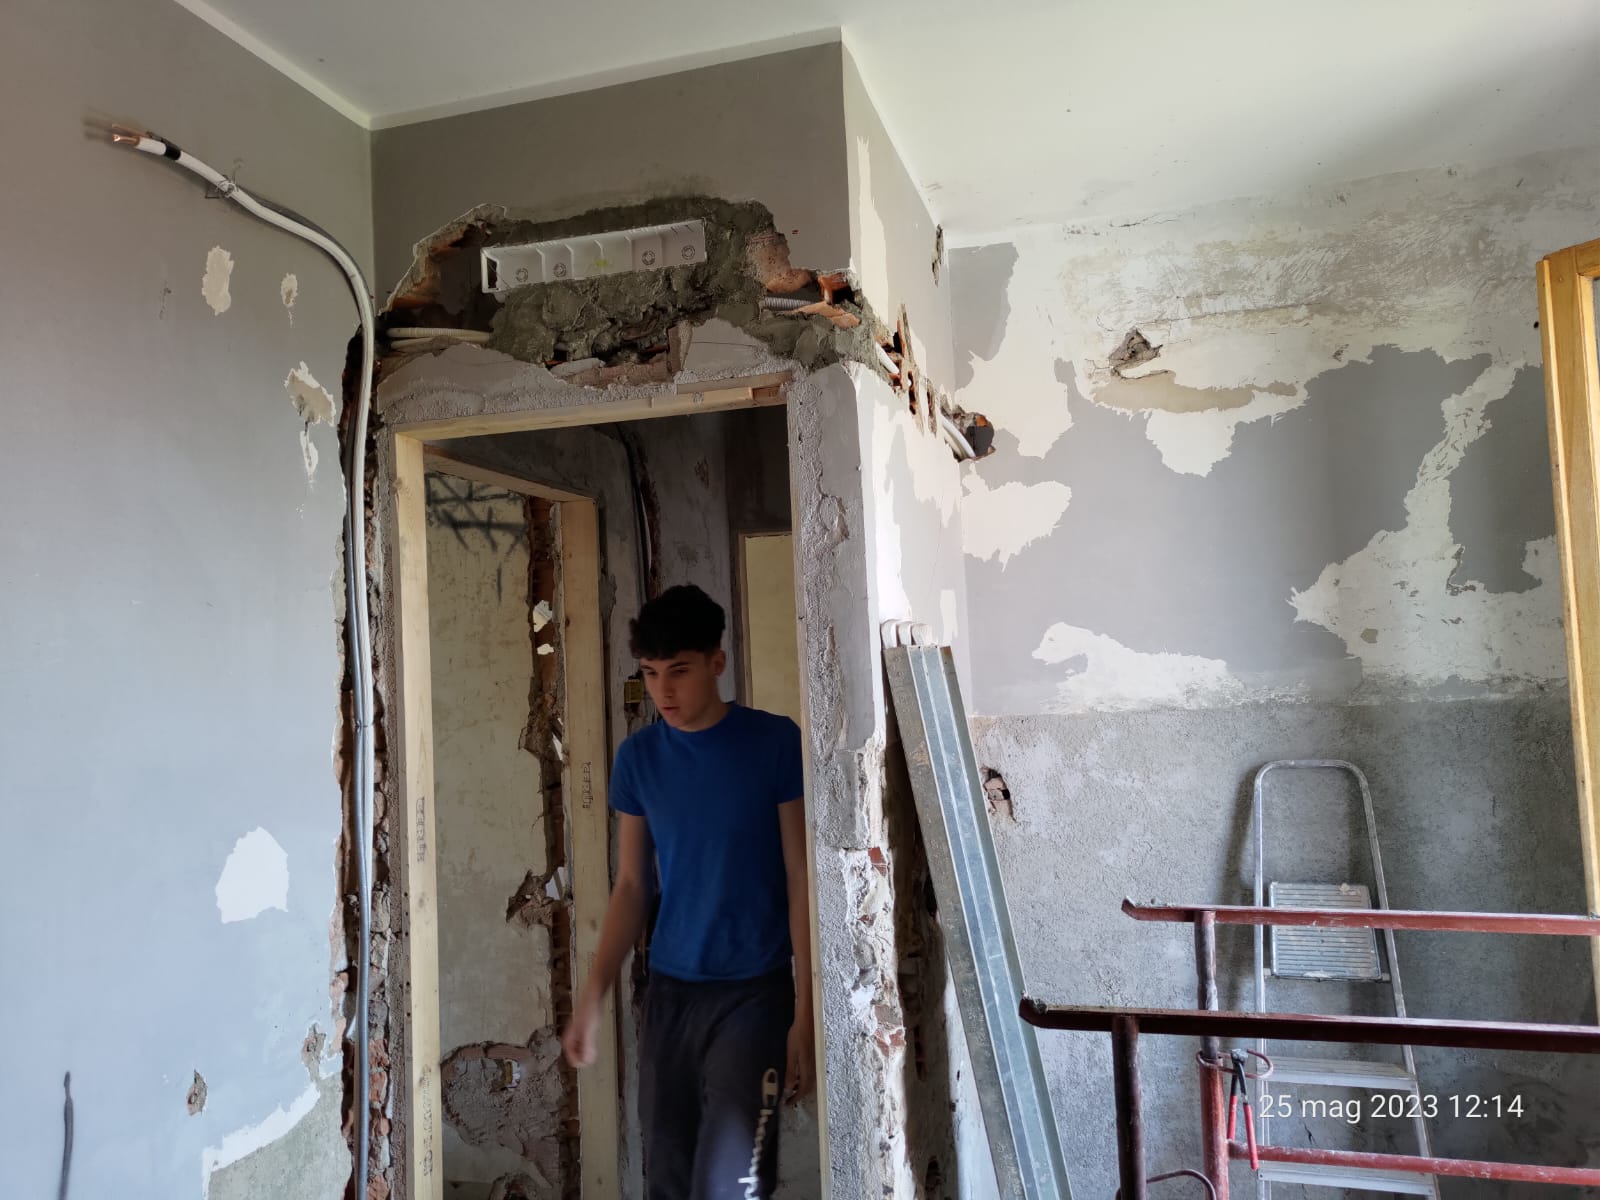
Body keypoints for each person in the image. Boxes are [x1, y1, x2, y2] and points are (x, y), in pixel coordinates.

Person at [562, 584, 814, 1200]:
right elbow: (631, 886)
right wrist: (592, 996)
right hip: (670, 995)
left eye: (679, 671)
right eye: (650, 674)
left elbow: (799, 874)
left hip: (754, 996)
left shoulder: (775, 743)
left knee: (729, 1184)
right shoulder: (638, 759)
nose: (663, 691)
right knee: (669, 1181)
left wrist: (807, 1014)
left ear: (716, 662)